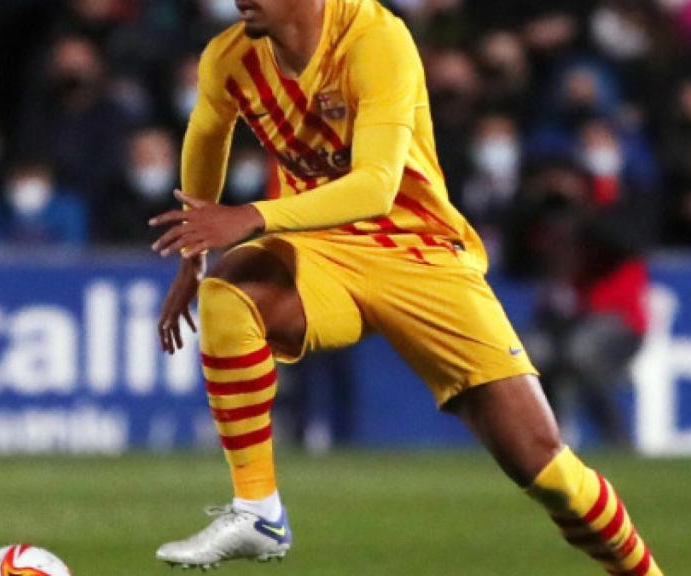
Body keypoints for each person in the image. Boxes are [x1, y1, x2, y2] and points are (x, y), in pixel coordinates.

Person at [149, 1, 663, 574]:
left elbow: (375, 186)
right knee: (230, 293)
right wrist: (191, 263)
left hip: (420, 254)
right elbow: (207, 135)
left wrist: (251, 215)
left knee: (546, 471)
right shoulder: (229, 57)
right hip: (322, 250)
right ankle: (258, 509)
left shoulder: (375, 38)